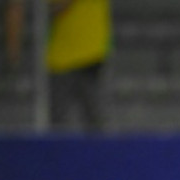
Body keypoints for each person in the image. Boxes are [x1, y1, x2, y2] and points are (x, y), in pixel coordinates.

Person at [6, 0, 112, 132]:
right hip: (64, 54)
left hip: (88, 52)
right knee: (61, 123)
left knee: (94, 121)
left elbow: (59, 6)